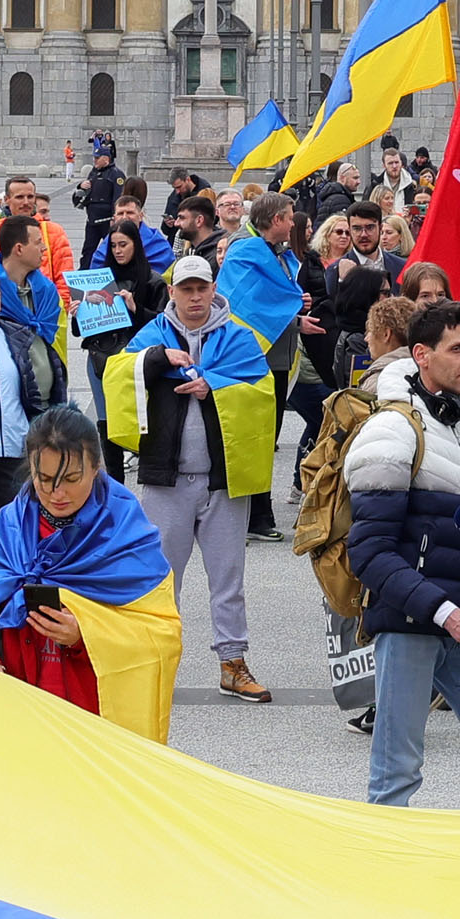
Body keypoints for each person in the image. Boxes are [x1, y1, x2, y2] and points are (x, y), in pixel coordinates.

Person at [342, 298, 460, 813]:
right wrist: (445, 613)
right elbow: (369, 552)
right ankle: (389, 873)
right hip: (411, 623)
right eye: (457, 349)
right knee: (398, 770)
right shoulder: (390, 430)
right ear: (422, 355)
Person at [121, 258, 276, 704]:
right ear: (171, 292)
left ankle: (233, 663)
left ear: (213, 291)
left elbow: (264, 394)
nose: (193, 297)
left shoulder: (240, 337)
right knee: (160, 580)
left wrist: (216, 386)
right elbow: (117, 373)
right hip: (165, 480)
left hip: (222, 481)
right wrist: (156, 358)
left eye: (201, 288)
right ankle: (154, 665)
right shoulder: (153, 335)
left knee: (228, 578)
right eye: (185, 288)